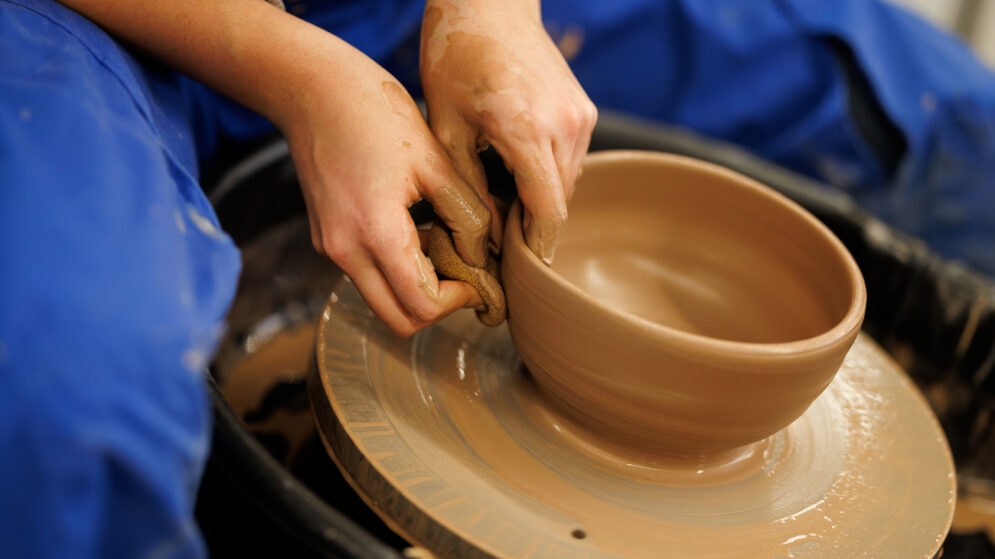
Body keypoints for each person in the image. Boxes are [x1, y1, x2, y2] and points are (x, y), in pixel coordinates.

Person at [2, 0, 993, 556]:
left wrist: (487, 12)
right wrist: (298, 73)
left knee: (951, 119)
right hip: (99, 25)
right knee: (69, 420)